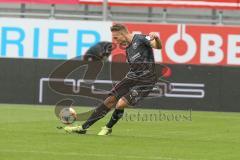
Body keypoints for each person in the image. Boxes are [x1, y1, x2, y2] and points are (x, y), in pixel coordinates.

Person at [64, 23, 162, 135]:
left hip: (146, 80)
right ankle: (83, 128)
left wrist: (157, 38)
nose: (115, 41)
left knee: (120, 104)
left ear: (123, 34)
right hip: (132, 77)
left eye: (116, 37)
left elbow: (157, 46)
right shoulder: (128, 49)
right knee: (110, 100)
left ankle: (107, 127)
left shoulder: (141, 38)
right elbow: (134, 66)